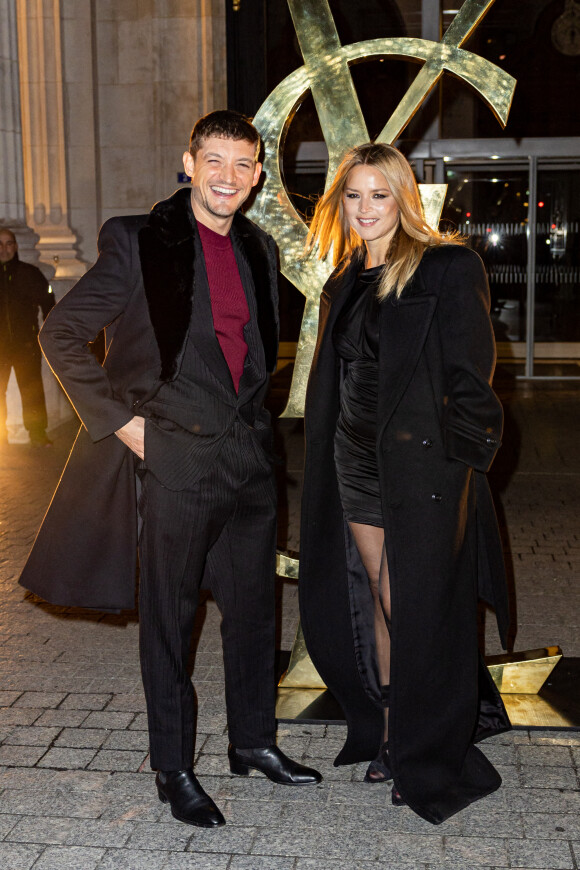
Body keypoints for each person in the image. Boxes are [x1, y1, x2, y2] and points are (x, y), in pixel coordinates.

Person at [20, 110, 321, 828]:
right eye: (213, 161)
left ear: (256, 178)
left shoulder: (258, 247)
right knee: (170, 620)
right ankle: (173, 767)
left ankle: (253, 743)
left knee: (254, 613)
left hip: (250, 461)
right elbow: (60, 333)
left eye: (242, 165)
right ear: (188, 163)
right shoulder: (138, 239)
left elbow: (249, 355)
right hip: (175, 457)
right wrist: (123, 426)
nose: (227, 177)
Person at [299, 143, 511, 825]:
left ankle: (429, 747)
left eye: (378, 196)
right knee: (381, 603)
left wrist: (461, 467)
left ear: (403, 200)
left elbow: (473, 379)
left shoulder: (446, 267)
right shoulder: (344, 279)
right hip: (355, 464)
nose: (365, 210)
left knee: (414, 606)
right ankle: (394, 732)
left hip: (424, 470)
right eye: (352, 197)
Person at [0, 228, 55, 446]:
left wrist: (46, 333)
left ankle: (38, 434)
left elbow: (49, 304)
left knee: (32, 390)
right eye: (0, 244)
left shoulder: (30, 273)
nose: (4, 249)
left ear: (15, 246)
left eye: (9, 243)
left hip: (26, 345)